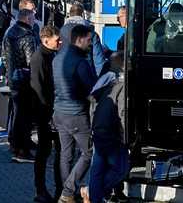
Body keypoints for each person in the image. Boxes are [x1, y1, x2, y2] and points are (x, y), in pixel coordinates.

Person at [53, 24, 98, 203]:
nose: (90, 44)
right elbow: (92, 89)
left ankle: (66, 193)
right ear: (79, 39)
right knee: (89, 152)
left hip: (59, 113)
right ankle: (68, 191)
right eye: (88, 40)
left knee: (66, 154)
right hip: (77, 114)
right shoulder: (80, 62)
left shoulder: (57, 58)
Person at [87, 52, 129, 203]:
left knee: (97, 168)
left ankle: (94, 196)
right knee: (121, 168)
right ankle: (97, 191)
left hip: (98, 128)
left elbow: (93, 103)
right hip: (112, 132)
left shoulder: (107, 82)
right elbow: (122, 112)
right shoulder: (122, 86)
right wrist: (125, 136)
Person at [31, 25, 63, 203]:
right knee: (44, 153)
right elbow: (38, 88)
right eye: (56, 40)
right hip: (46, 114)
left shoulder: (51, 55)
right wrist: (46, 113)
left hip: (52, 112)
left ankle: (59, 188)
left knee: (59, 152)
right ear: (46, 40)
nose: (60, 42)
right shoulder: (39, 58)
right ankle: (41, 189)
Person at [2, 8, 38, 163]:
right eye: (33, 18)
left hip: (13, 77)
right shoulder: (27, 36)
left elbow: (4, 57)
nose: (34, 21)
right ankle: (22, 150)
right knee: (25, 116)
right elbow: (32, 61)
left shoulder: (10, 33)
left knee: (17, 114)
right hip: (25, 80)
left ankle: (17, 144)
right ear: (28, 19)